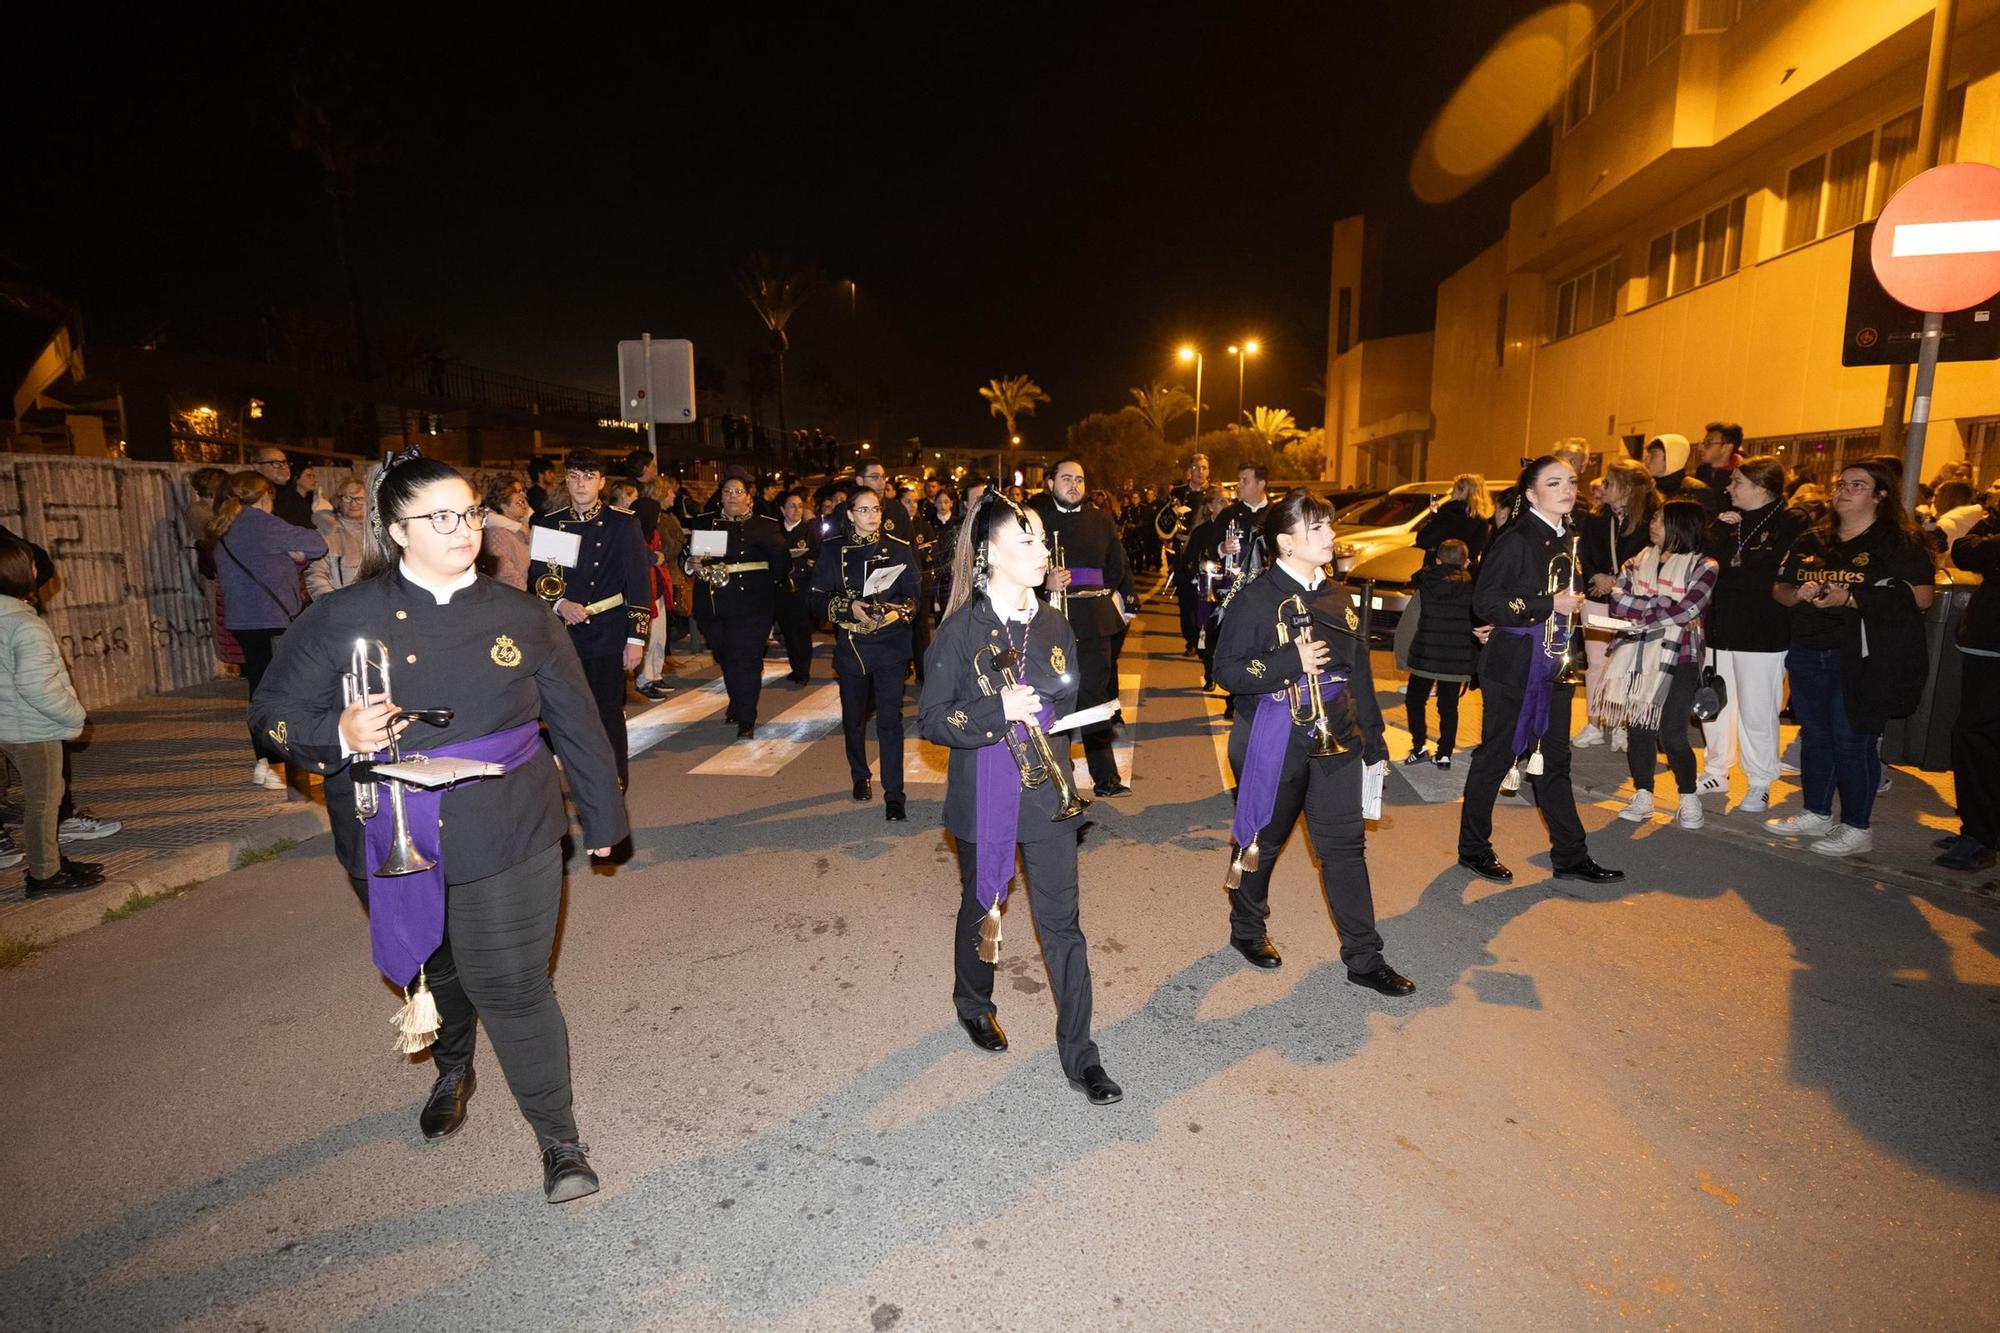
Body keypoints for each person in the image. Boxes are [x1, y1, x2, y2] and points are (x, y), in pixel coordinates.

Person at [249, 450, 627, 1203]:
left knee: (514, 985)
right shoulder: (341, 616)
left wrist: (605, 814)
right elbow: (272, 718)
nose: (465, 528)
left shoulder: (522, 614)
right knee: (438, 967)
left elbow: (577, 721)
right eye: (442, 516)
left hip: (508, 824)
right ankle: (455, 1062)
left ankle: (559, 1140)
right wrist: (340, 733)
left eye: (471, 512)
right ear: (397, 529)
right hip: (388, 824)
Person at [917, 493, 1122, 1105]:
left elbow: (1061, 692)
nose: (1043, 551)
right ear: (989, 554)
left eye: (1040, 540)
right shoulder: (959, 631)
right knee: (985, 904)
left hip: (1049, 794)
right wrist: (995, 711)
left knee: (1063, 924)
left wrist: (1078, 714)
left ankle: (1081, 1054)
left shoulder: (1054, 621)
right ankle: (973, 1002)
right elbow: (931, 720)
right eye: (1027, 540)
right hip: (985, 792)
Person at [1210, 490, 1414, 996]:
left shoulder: (1339, 597)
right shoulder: (1256, 599)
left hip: (1337, 738)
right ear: (1285, 543)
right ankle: (1247, 929)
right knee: (1263, 843)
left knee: (1345, 849)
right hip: (1273, 742)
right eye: (1318, 528)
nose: (1331, 535)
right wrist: (1287, 663)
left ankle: (1364, 958)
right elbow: (1226, 672)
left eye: (1328, 526)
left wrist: (1375, 743)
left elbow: (1359, 673)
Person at [1457, 456, 1624, 886]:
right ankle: (1473, 848)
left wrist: (1577, 611)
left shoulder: (1568, 537)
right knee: (1496, 757)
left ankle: (1570, 855)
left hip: (1553, 665)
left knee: (1555, 761)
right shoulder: (1516, 539)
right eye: (1555, 483)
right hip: (1513, 667)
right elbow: (1485, 603)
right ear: (1532, 495)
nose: (1568, 489)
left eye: (1571, 481)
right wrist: (1549, 605)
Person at [1767, 460, 1935, 857]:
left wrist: (1853, 597)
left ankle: (1857, 826)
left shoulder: (1899, 543)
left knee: (1852, 738)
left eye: (1857, 485)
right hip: (1809, 648)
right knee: (1815, 735)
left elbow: (1922, 597)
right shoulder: (1813, 538)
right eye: (1841, 483)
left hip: (1862, 654)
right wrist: (1798, 594)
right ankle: (1817, 811)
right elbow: (1780, 589)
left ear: (1880, 495)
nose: (1843, 491)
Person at [531, 449, 652, 787]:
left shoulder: (622, 522)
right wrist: (560, 604)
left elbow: (638, 583)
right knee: (566, 713)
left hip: (607, 630)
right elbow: (539, 580)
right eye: (573, 476)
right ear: (565, 480)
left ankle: (614, 779)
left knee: (607, 710)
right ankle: (581, 776)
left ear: (601, 482)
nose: (580, 483)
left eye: (588, 476)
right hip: (563, 634)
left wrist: (636, 639)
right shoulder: (551, 523)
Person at [1600, 500, 1720, 830]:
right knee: (1639, 728)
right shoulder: (1637, 561)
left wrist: (1646, 610)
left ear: (1681, 527)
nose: (1652, 523)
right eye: (1654, 517)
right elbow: (1618, 602)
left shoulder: (1704, 565)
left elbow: (1689, 610)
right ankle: (1643, 793)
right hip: (1636, 654)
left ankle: (1688, 795)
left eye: (1660, 519)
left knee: (1672, 734)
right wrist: (1663, 605)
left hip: (1681, 657)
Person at [1697, 455, 1806, 812]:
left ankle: (1760, 780)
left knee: (1758, 710)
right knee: (1714, 703)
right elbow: (1709, 563)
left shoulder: (1791, 521)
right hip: (1721, 628)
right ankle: (1716, 769)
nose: (1728, 489)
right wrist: (1717, 529)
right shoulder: (1729, 524)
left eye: (1738, 482)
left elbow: (1769, 573)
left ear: (1761, 486)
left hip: (1762, 630)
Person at [208, 471, 328, 790]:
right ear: (265, 497)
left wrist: (294, 560)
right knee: (277, 693)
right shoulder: (263, 523)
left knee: (259, 690)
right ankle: (274, 764)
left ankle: (266, 761)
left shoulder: (225, 523)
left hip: (243, 621)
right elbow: (317, 543)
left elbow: (263, 564)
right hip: (272, 618)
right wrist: (298, 555)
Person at [0, 534, 103, 897]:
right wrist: (75, 716)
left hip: (8, 724)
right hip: (33, 728)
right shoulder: (25, 626)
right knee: (44, 801)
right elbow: (36, 686)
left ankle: (52, 861)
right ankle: (44, 875)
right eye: (30, 563)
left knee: (40, 800)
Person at [1029, 458, 1135, 796]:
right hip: (1048, 621)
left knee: (1094, 698)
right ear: (1050, 483)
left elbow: (1117, 567)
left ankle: (1105, 778)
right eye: (1066, 479)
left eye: (1080, 479)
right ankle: (1055, 773)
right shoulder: (1035, 520)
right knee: (1050, 699)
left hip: (1093, 621)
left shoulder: (1101, 521)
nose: (1074, 485)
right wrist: (1045, 581)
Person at [811, 489, 919, 820]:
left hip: (889, 644)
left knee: (890, 721)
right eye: (863, 509)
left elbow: (913, 597)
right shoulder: (832, 550)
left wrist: (897, 608)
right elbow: (814, 598)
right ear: (849, 514)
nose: (871, 515)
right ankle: (860, 775)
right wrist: (848, 606)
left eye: (875, 508)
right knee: (854, 719)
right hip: (853, 645)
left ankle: (895, 794)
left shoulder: (899, 549)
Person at [685, 475, 788, 738]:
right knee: (727, 656)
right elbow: (683, 557)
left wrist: (765, 587)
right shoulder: (705, 522)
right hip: (714, 603)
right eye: (727, 491)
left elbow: (781, 564)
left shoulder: (765, 526)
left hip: (753, 603)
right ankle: (738, 700)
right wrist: (691, 563)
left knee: (748, 659)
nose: (732, 496)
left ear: (748, 497)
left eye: (738, 491)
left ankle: (746, 717)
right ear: (721, 496)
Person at [1573, 460, 1658, 751]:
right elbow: (1584, 552)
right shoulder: (1596, 518)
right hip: (1597, 596)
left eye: (1609, 482)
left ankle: (1622, 724)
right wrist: (1596, 574)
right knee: (1597, 662)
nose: (1602, 487)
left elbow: (1655, 560)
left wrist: (1618, 580)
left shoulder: (1652, 521)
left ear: (1628, 488)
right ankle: (1595, 722)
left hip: (1633, 602)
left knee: (1627, 665)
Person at [1938, 513, 2000, 871]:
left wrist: (1988, 547)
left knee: (1978, 739)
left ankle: (1981, 836)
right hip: (1984, 644)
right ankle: (1979, 829)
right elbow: (1962, 551)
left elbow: (1981, 553)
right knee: (1972, 739)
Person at [1405, 538, 1479, 767]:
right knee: (1448, 706)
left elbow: (1410, 621)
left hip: (1425, 654)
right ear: (1466, 563)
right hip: (1456, 658)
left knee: (1415, 701)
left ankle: (1419, 746)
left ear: (1437, 560)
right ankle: (1445, 752)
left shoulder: (1426, 583)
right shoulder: (1473, 587)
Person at [773, 489, 820, 686]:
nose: (797, 510)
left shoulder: (810, 532)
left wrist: (800, 564)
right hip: (779, 588)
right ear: (783, 510)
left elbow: (817, 557)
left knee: (801, 631)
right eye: (792, 506)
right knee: (787, 630)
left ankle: (803, 671)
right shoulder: (775, 531)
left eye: (800, 506)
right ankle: (795, 666)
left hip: (801, 587)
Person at [307, 476, 371, 598]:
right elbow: (315, 575)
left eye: (360, 499)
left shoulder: (378, 532)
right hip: (344, 608)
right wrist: (333, 605)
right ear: (339, 501)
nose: (354, 503)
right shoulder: (327, 532)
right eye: (347, 498)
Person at [1415, 474, 1494, 569]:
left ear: (1463, 492)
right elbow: (1476, 549)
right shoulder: (1481, 520)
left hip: (1437, 573)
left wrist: (1432, 520)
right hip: (1464, 574)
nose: (1451, 494)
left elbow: (1422, 540)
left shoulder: (1449, 514)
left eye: (1454, 490)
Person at [478, 472, 535, 592]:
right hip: (516, 598)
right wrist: (529, 595)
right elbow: (504, 573)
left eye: (522, 491)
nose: (523, 496)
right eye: (518, 492)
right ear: (503, 504)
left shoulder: (521, 527)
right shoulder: (497, 532)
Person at [251, 448, 316, 531]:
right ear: (257, 467)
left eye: (285, 462)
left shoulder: (291, 492)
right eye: (276, 463)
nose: (284, 467)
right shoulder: (257, 494)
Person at [1644, 433, 1712, 508]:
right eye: (1648, 455)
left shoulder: (1695, 491)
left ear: (1672, 457)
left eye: (1653, 455)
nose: (1646, 460)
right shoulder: (1647, 489)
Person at [1695, 422, 1743, 500]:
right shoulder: (1701, 472)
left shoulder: (1739, 479)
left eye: (1708, 443)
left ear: (1727, 447)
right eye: (1703, 442)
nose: (1700, 448)